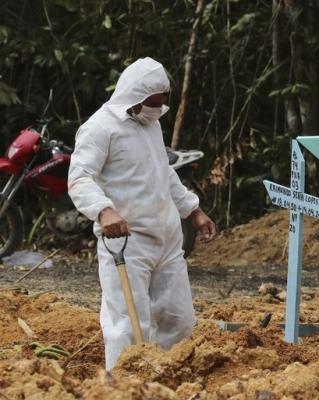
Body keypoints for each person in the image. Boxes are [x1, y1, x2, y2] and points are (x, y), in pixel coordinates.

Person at [68, 57, 217, 370]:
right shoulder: (99, 128)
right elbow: (80, 178)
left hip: (167, 242)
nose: (156, 110)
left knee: (179, 320)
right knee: (127, 323)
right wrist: (104, 211)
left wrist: (193, 210)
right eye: (151, 104)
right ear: (132, 98)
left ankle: (164, 378)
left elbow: (164, 171)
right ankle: (124, 385)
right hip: (127, 244)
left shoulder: (152, 124)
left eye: (160, 104)